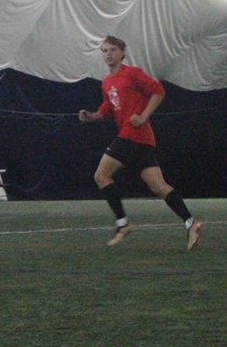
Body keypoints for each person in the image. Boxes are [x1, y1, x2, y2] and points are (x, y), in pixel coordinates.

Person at [78, 35, 203, 250]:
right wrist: (92, 116)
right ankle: (191, 224)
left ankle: (123, 224)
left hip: (133, 135)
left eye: (112, 50)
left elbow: (158, 91)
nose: (108, 54)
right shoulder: (107, 83)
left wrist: (143, 116)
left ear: (122, 53)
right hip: (141, 141)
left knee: (101, 175)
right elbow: (108, 108)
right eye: (105, 50)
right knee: (158, 186)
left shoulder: (132, 74)